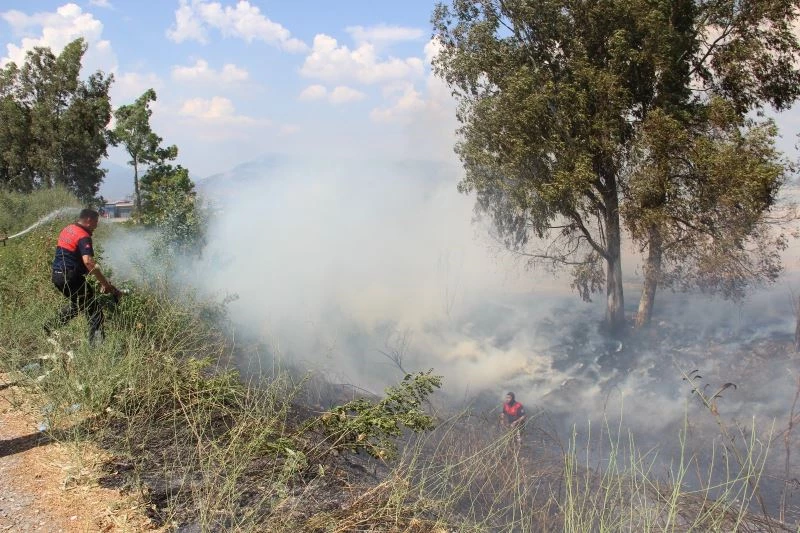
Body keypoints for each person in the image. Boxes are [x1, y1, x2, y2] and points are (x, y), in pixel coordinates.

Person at [44, 208, 120, 344]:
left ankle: (50, 326)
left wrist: (101, 281)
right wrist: (105, 284)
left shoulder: (68, 229)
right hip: (70, 277)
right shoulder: (83, 236)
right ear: (88, 220)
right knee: (95, 311)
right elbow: (88, 262)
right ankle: (97, 347)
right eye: (96, 222)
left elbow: (73, 258)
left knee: (79, 305)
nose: (96, 226)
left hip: (57, 276)